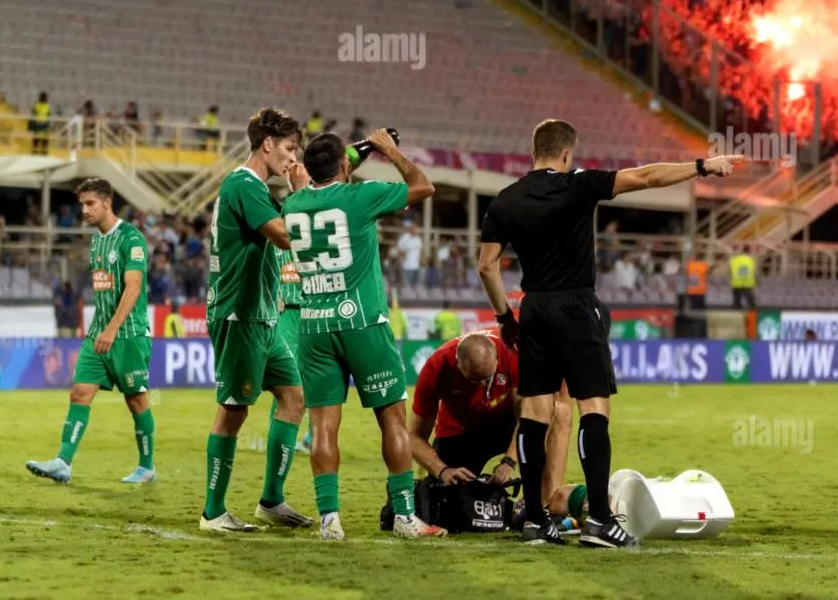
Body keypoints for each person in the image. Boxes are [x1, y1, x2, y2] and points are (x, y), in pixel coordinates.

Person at [477, 118, 743, 547]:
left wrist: (506, 318)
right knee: (593, 408)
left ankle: (535, 521)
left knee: (534, 414)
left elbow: (486, 266)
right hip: (577, 306)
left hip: (534, 308)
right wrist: (701, 165)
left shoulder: (505, 200)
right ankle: (600, 520)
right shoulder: (578, 183)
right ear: (566, 154)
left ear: (534, 151)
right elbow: (647, 176)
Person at [283, 129, 445, 540]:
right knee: (392, 421)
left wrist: (355, 151)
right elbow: (423, 186)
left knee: (322, 427)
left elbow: (328, 173)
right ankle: (406, 518)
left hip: (314, 327)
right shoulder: (360, 196)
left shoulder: (294, 202)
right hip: (363, 324)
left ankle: (329, 521)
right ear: (344, 166)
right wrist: (389, 150)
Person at [200, 108, 311, 533]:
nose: (290, 159)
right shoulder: (242, 185)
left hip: (263, 314)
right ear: (266, 143)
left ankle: (271, 501)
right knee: (233, 411)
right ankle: (213, 512)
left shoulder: (256, 189)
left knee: (293, 398)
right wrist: (303, 195)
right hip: (239, 314)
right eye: (287, 148)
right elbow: (285, 235)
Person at [25, 178, 155, 485]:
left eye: (89, 204)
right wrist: (101, 329)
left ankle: (147, 466)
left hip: (128, 335)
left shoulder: (131, 239)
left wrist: (111, 329)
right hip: (98, 332)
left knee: (136, 400)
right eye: (81, 204)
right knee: (79, 393)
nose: (83, 210)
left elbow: (133, 288)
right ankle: (63, 462)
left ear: (106, 202)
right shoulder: (96, 240)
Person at [410, 331, 571, 501]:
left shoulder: (513, 352)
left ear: (496, 359)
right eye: (474, 379)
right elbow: (413, 436)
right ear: (458, 365)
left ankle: (546, 503)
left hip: (504, 426)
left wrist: (509, 462)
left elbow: (528, 414)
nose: (483, 385)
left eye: (489, 377)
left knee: (559, 412)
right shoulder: (435, 368)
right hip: (460, 433)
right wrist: (442, 470)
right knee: (447, 499)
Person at [269, 245, 312, 454]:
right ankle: (278, 435)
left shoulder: (312, 238)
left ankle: (313, 436)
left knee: (317, 375)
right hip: (287, 312)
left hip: (314, 311)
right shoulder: (275, 244)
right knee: (286, 379)